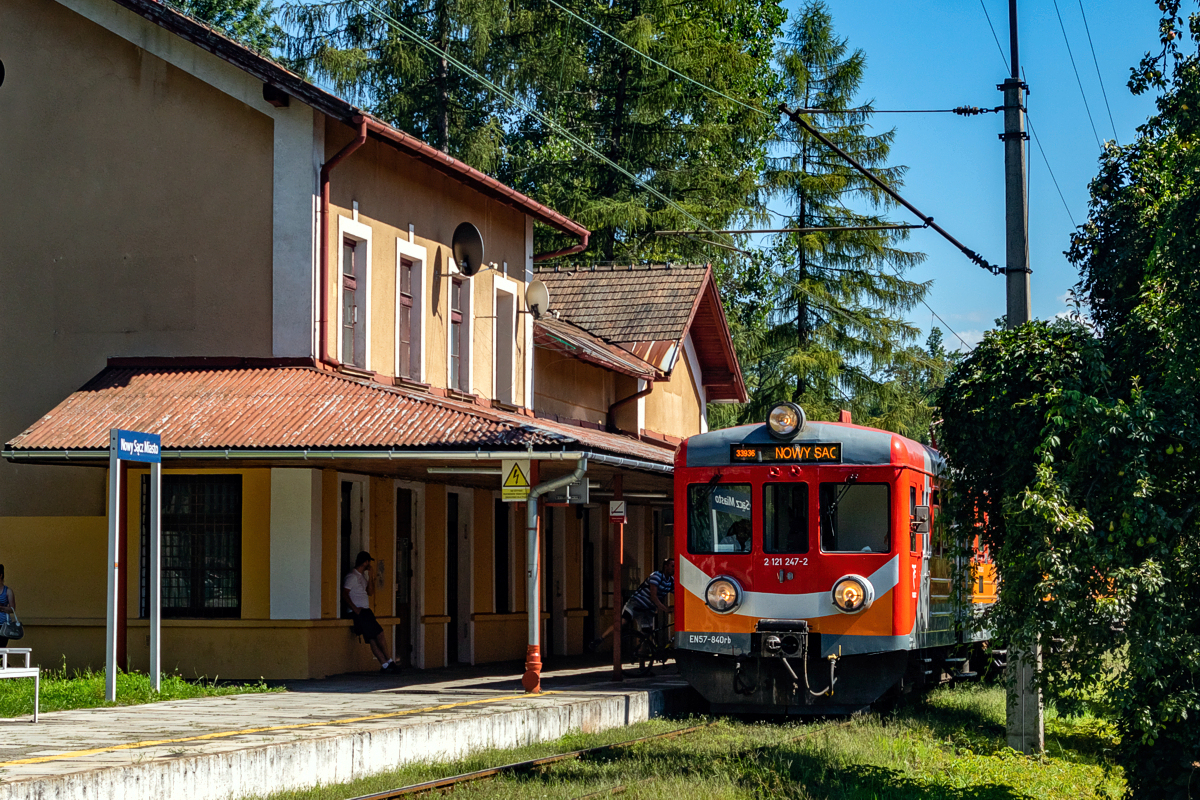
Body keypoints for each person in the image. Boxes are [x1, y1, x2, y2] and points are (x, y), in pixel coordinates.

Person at [588, 558, 675, 652]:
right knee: (622, 621)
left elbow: (678, 595)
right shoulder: (656, 576)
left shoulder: (671, 581)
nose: (674, 569)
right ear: (665, 566)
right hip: (636, 602)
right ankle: (601, 638)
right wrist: (665, 609)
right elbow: (653, 596)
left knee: (645, 635)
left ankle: (640, 657)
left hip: (648, 609)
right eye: (672, 566)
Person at [342, 551, 398, 673]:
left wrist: (371, 575)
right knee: (372, 638)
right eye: (369, 562)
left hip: (366, 611)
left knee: (380, 634)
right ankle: (385, 665)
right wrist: (355, 609)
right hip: (358, 612)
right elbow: (345, 594)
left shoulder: (362, 577)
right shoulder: (352, 577)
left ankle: (389, 661)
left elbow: (371, 592)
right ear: (365, 562)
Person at [0, 564, 15, 648]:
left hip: (4, 624)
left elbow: (12, 609)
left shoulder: (8, 591)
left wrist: (1, 608)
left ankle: (3, 661)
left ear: (0, 575)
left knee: (1, 648)